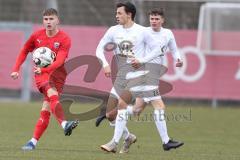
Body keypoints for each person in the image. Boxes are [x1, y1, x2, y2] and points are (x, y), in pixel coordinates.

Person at [96, 8, 184, 152]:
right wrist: (105, 65)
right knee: (113, 113)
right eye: (116, 13)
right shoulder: (113, 30)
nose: (116, 16)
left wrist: (143, 60)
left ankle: (114, 142)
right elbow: (99, 49)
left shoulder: (143, 31)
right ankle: (130, 137)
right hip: (122, 76)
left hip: (142, 76)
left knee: (134, 106)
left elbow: (158, 49)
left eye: (119, 13)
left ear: (129, 14)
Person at [10, 8, 79, 151]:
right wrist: (16, 69)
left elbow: (59, 61)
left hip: (58, 75)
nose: (48, 22)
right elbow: (24, 50)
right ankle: (64, 123)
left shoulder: (64, 39)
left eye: (51, 19)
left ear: (57, 20)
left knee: (46, 108)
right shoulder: (37, 36)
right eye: (46, 19)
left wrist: (45, 69)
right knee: (51, 93)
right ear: (43, 21)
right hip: (41, 75)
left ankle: (32, 142)